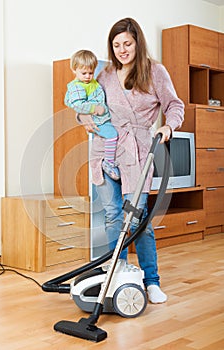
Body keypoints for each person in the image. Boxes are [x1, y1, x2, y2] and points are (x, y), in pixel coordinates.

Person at [77, 18, 185, 304]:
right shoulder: (106, 73)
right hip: (104, 148)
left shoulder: (155, 72)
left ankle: (151, 281)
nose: (122, 49)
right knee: (113, 217)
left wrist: (168, 126)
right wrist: (83, 117)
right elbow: (85, 102)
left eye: (127, 43)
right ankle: (116, 276)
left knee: (138, 221)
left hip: (137, 151)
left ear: (138, 42)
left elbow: (175, 105)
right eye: (116, 45)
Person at [65, 49, 120, 180]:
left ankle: (109, 160)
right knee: (112, 136)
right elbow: (75, 104)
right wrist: (95, 108)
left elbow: (67, 100)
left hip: (103, 117)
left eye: (91, 72)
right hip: (98, 120)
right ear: (74, 70)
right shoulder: (77, 87)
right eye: (83, 73)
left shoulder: (90, 82)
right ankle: (108, 162)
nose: (88, 76)